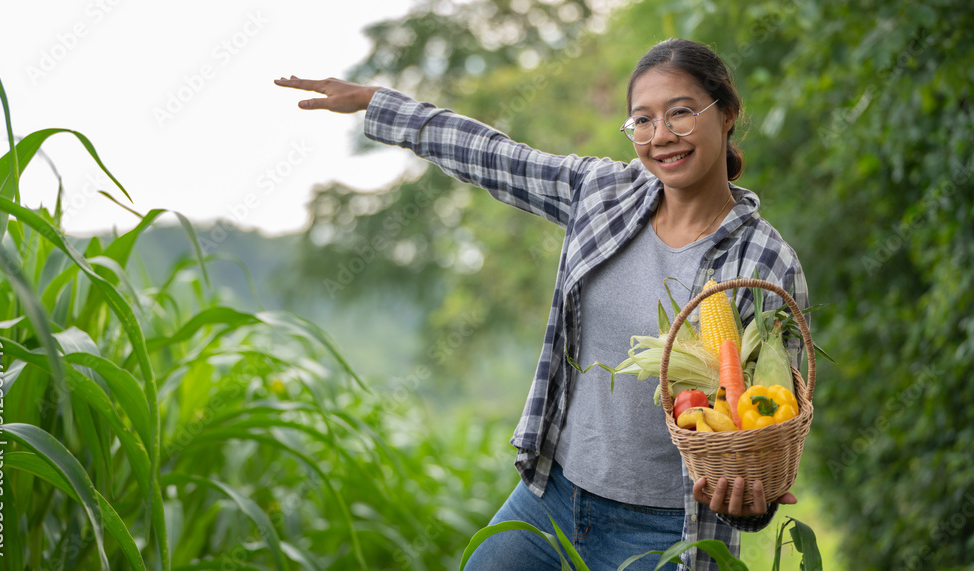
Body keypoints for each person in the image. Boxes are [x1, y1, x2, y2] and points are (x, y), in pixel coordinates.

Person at [275, 38, 806, 570]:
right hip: (552, 498)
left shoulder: (765, 262)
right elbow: (495, 156)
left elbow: (773, 425)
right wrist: (376, 102)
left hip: (667, 528)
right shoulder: (604, 192)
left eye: (681, 113)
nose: (660, 136)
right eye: (642, 121)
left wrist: (748, 505)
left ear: (728, 113)